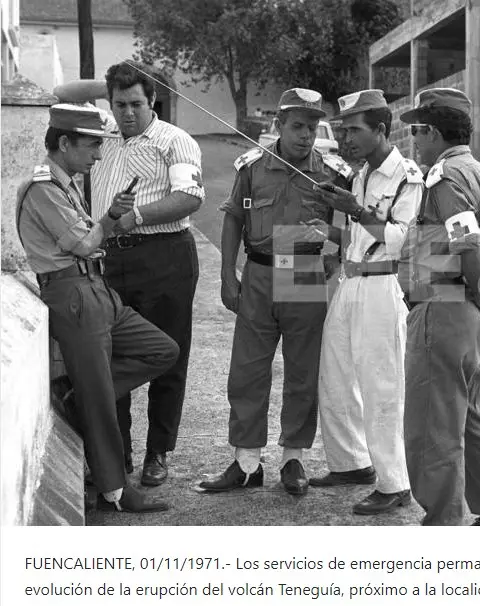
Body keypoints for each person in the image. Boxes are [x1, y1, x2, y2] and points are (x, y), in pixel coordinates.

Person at [16, 104, 180, 512]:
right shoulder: (43, 188)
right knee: (102, 400)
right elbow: (87, 242)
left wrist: (105, 219)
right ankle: (116, 490)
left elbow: (89, 238)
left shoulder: (64, 181)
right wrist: (109, 219)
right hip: (72, 294)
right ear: (65, 142)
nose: (98, 155)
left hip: (94, 288)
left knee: (162, 350)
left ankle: (78, 397)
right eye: (91, 146)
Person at [53, 63, 205, 487]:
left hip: (165, 256)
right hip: (109, 258)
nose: (127, 113)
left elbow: (189, 197)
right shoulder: (102, 128)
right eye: (119, 103)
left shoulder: (175, 141)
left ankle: (158, 452)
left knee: (168, 352)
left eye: (136, 103)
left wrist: (135, 217)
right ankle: (117, 452)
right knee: (110, 355)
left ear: (152, 101)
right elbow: (59, 90)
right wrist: (109, 85)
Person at [199, 88, 353, 496]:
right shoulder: (252, 167)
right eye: (298, 126)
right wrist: (228, 275)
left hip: (302, 271)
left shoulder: (331, 171)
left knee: (302, 371)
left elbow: (350, 225)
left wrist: (334, 260)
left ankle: (294, 459)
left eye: (312, 126)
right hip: (261, 272)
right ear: (278, 126)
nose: (305, 134)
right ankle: (246, 462)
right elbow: (233, 217)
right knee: (248, 370)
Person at [398, 88, 480, 526]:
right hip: (472, 314)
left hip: (444, 306)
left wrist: (478, 293)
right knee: (472, 414)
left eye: (416, 129)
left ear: (433, 131)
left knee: (432, 424)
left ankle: (443, 523)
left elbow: (468, 248)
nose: (413, 139)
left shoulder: (446, 178)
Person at [307, 90, 423, 515]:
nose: (345, 138)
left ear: (380, 129)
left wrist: (354, 210)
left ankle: (395, 483)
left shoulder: (407, 176)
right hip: (350, 282)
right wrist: (330, 225)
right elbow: (360, 240)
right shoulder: (359, 174)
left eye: (353, 130)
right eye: (341, 129)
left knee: (382, 385)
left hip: (380, 289)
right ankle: (351, 463)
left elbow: (397, 238)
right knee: (335, 375)